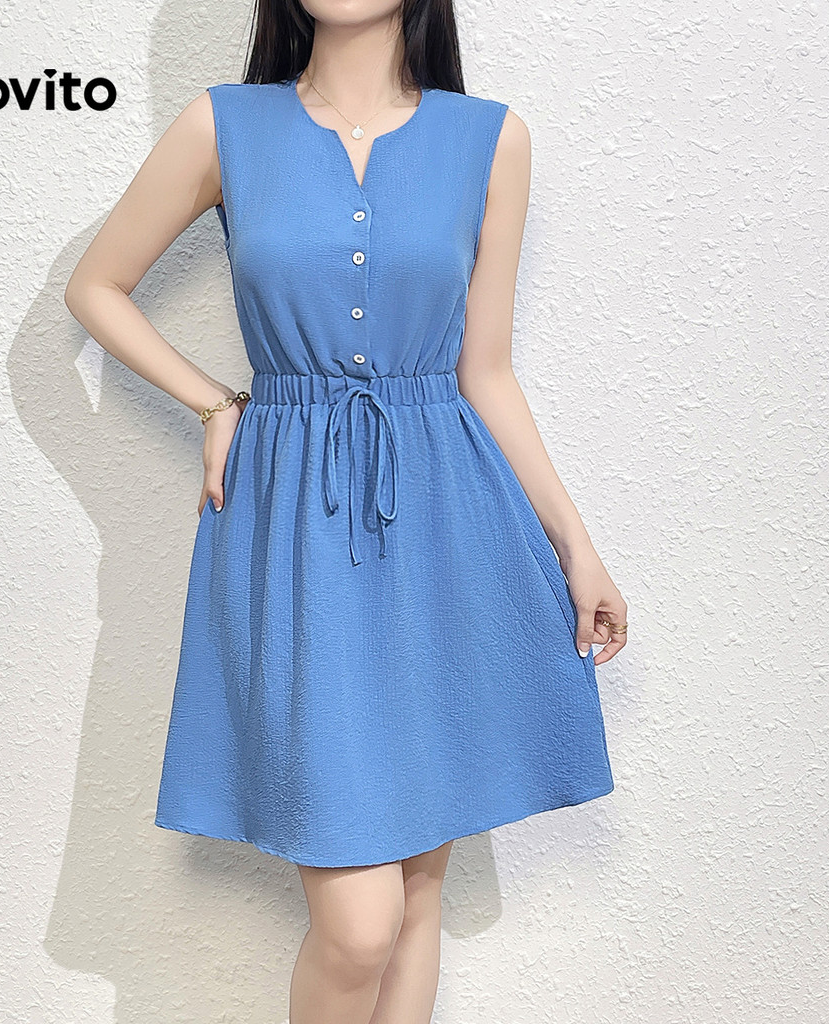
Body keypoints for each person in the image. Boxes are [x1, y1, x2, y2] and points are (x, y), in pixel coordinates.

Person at [64, 1, 628, 1020]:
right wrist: (215, 404)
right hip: (295, 524)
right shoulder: (223, 125)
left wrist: (574, 545)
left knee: (416, 901)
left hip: (448, 521)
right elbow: (96, 287)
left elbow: (486, 372)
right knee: (360, 922)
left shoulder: (491, 139)